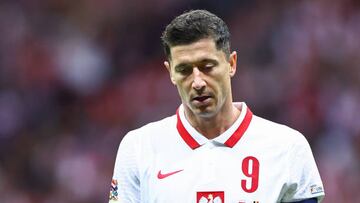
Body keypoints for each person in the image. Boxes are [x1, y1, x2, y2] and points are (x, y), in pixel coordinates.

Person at [109, 10, 325, 203]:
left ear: (231, 64)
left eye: (207, 66)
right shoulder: (138, 148)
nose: (198, 82)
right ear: (171, 73)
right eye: (184, 69)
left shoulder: (288, 148)